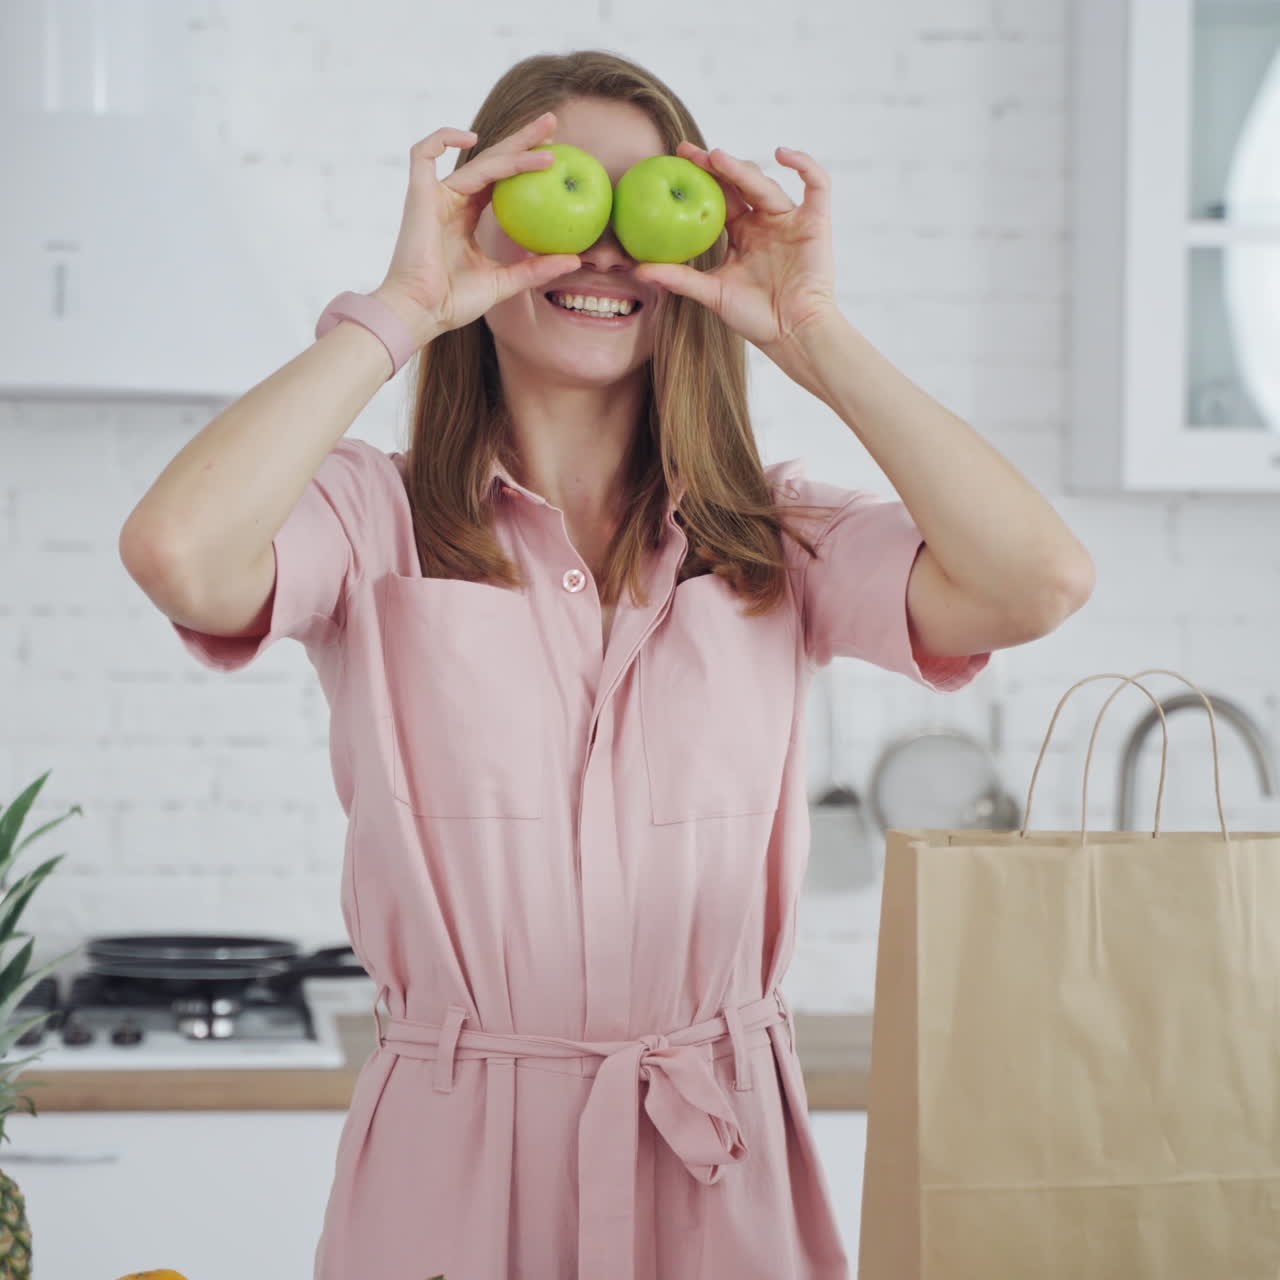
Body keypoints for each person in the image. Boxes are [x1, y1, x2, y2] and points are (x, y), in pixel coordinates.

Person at [118, 47, 1094, 1280]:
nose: (603, 250)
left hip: (715, 1170)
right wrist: (404, 308)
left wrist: (812, 330)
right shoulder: (374, 521)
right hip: (447, 1170)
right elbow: (177, 550)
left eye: (641, 206)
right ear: (487, 217)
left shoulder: (775, 540)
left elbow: (1037, 579)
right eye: (563, 190)